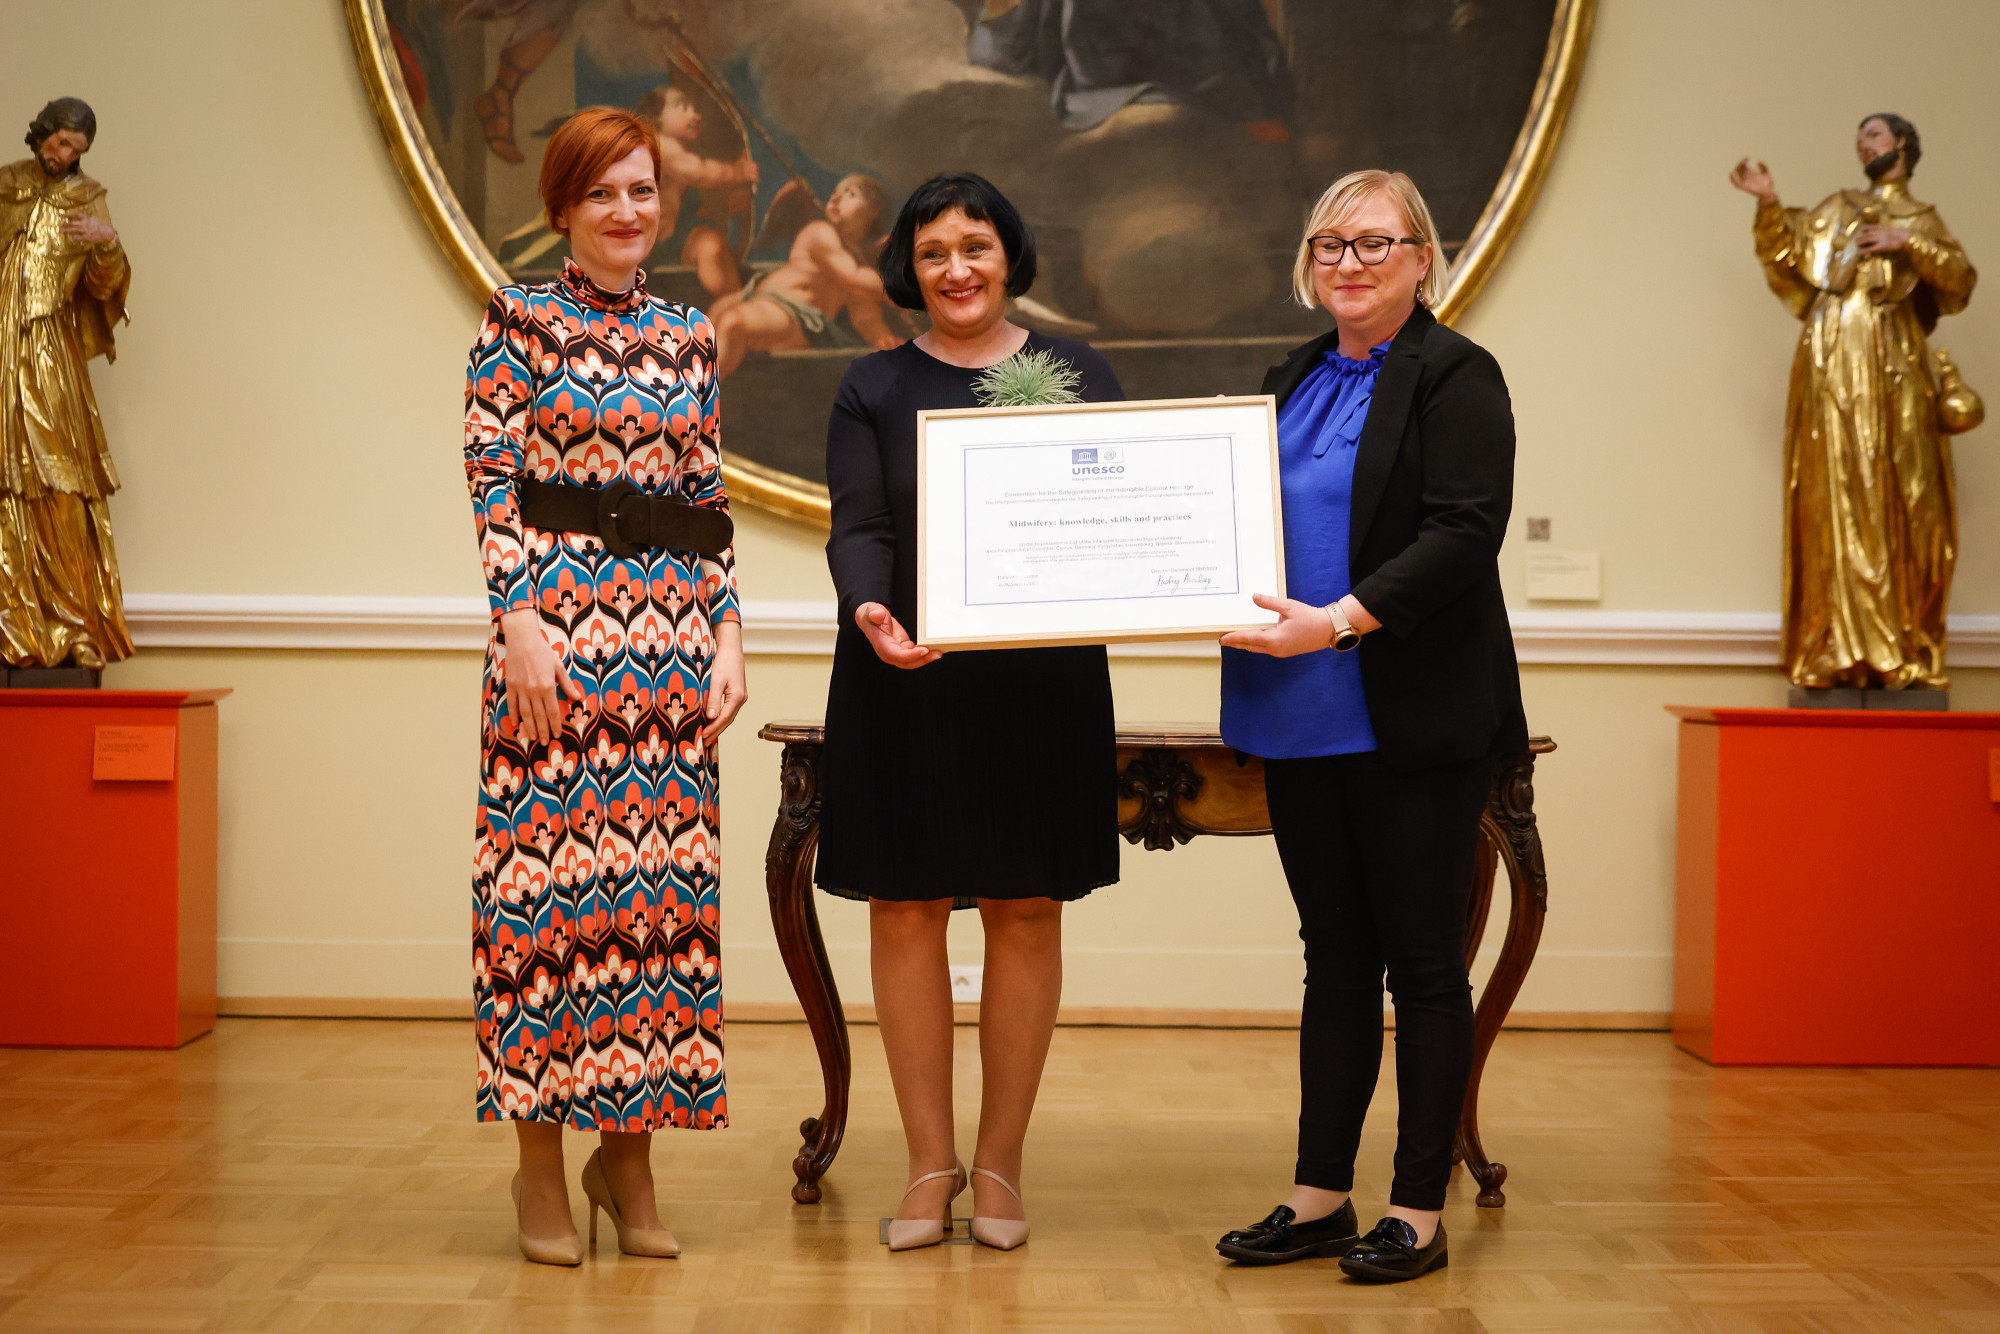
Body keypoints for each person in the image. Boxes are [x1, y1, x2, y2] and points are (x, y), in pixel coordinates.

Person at [1211, 170, 1525, 1282]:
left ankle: (1415, 1210)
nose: (1348, 262)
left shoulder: (1456, 374)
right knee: (1333, 959)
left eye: (1375, 242)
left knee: (1423, 966)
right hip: (1295, 711)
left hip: (1407, 714)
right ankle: (1319, 1196)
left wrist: (1338, 621)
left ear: (1422, 257)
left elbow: (1463, 533)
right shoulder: (1287, 379)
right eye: (1329, 243)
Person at [463, 106, 747, 1267]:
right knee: (544, 908)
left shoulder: (690, 334)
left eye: (641, 189)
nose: (626, 210)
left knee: (651, 912)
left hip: (667, 650)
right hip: (554, 642)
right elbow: (490, 475)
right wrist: (518, 621)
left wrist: (728, 633)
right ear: (562, 209)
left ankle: (627, 1163)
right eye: (601, 193)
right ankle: (538, 1163)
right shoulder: (517, 317)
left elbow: (705, 494)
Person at [819, 172, 1121, 1252]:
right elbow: (859, 525)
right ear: (909, 266)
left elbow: (1120, 518)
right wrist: (869, 608)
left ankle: (999, 1168)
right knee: (902, 908)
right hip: (901, 672)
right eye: (933, 251)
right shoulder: (871, 384)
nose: (956, 269)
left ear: (1009, 255)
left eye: (975, 247)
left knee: (1025, 907)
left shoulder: (1079, 375)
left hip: (1040, 681)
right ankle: (925, 1168)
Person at [1729, 115, 1977, 692]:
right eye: (1860, 139)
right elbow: (1788, 255)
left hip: (1896, 363)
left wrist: (1906, 242)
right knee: (1837, 490)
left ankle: (1902, 643)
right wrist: (1768, 203)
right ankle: (1835, 643)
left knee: (1906, 498)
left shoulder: (1922, 219)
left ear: (1902, 146)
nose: (1864, 145)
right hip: (1834, 358)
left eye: (1875, 136)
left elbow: (1960, 281)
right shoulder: (1840, 208)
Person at [0, 97, 132, 678]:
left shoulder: (88, 197)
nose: (63, 156)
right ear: (42, 134)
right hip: (1, 349)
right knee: (5, 485)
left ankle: (74, 623)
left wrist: (106, 242)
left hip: (50, 353)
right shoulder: (5, 185)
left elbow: (103, 286)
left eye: (75, 150)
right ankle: (14, 625)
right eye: (59, 143)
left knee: (62, 486)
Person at [711, 173, 903, 377]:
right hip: (760, 301)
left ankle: (700, 393)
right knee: (708, 323)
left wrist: (881, 337)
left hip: (792, 314)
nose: (836, 197)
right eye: (835, 192)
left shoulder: (858, 262)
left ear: (873, 210)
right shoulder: (820, 232)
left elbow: (864, 313)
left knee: (733, 323)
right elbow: (853, 278)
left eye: (850, 194)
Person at [637, 82, 759, 298]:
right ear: (656, 119)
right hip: (641, 246)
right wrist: (737, 172)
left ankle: (734, 301)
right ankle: (733, 301)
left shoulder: (681, 150)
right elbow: (700, 173)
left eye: (694, 109)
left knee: (711, 245)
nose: (696, 116)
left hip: (673, 238)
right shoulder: (659, 145)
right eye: (683, 107)